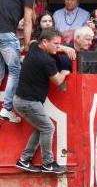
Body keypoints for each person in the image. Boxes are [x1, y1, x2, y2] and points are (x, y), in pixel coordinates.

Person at [14, 28, 71, 174]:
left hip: (22, 100)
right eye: (56, 44)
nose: (58, 47)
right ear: (44, 42)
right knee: (48, 128)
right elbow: (58, 81)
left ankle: (24, 160)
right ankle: (48, 163)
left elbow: (32, 41)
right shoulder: (46, 60)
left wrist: (61, 47)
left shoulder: (34, 46)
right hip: (28, 102)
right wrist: (64, 71)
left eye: (60, 44)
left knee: (42, 127)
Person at [0, 0, 42, 123]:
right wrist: (26, 44)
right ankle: (7, 109)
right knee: (15, 71)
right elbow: (29, 21)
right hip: (7, 35)